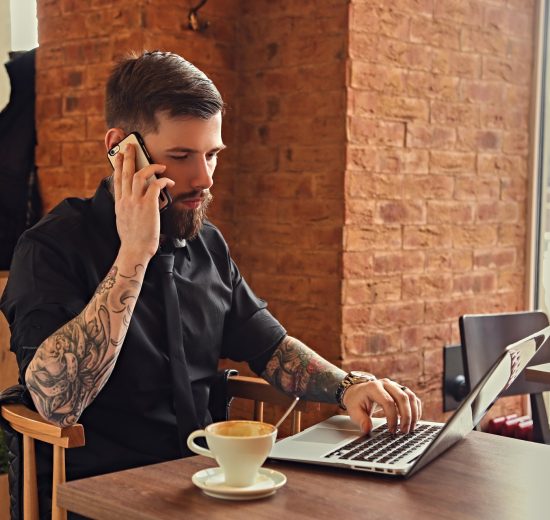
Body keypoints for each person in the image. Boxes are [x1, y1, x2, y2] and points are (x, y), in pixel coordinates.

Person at [1, 50, 421, 490]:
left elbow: (271, 348)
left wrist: (347, 386)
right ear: (120, 150)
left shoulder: (206, 243)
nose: (204, 178)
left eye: (212, 154)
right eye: (182, 155)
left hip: (205, 480)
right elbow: (56, 402)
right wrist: (134, 256)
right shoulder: (48, 248)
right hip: (97, 492)